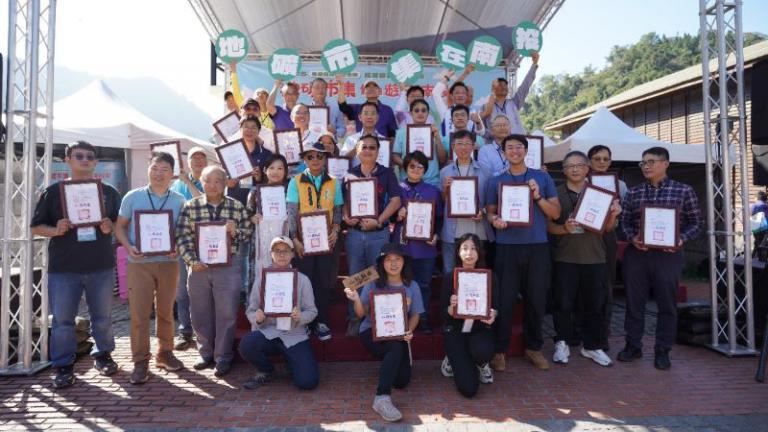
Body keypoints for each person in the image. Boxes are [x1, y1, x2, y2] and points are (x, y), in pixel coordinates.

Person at [31, 141, 121, 389]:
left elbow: (120, 223)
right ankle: (63, 365)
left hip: (100, 265)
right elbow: (36, 227)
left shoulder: (109, 192)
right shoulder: (53, 192)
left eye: (90, 156)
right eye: (79, 156)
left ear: (96, 162)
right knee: (62, 321)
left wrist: (110, 227)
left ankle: (103, 355)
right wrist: (55, 230)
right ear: (67, 160)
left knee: (102, 317)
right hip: (64, 268)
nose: (85, 160)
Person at [618, 147, 702, 370]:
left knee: (667, 304)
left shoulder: (683, 191)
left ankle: (663, 350)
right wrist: (632, 237)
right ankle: (633, 346)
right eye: (643, 162)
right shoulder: (634, 193)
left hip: (668, 255)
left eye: (651, 162)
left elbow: (696, 223)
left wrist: (681, 239)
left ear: (665, 164)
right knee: (634, 302)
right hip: (638, 254)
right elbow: (624, 222)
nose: (646, 166)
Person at [485, 134, 560, 372]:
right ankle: (500, 350)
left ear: (526, 151)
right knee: (504, 300)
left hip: (537, 245)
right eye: (510, 147)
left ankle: (533, 348)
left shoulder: (542, 177)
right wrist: (494, 220)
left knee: (536, 299)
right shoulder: (496, 181)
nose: (515, 151)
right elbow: (490, 212)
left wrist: (537, 197)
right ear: (504, 152)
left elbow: (556, 213)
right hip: (507, 247)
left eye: (519, 147)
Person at [115, 152, 187, 384]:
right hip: (139, 264)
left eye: (164, 169)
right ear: (148, 170)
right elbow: (119, 227)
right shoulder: (132, 197)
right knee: (139, 313)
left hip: (168, 263)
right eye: (155, 168)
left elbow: (184, 231)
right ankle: (140, 360)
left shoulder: (179, 200)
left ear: (172, 173)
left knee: (166, 311)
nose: (159, 174)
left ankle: (165, 352)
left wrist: (178, 247)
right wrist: (129, 247)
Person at [176, 166, 252, 376]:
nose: (212, 185)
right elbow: (182, 235)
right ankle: (205, 353)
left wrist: (236, 231)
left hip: (228, 266)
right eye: (208, 180)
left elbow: (248, 233)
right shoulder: (190, 206)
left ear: (225, 183)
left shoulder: (236, 206)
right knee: (200, 312)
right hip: (198, 267)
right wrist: (192, 260)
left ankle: (223, 356)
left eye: (218, 181)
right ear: (201, 182)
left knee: (227, 312)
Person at [548, 151, 621, 367]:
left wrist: (613, 214)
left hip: (595, 257)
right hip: (565, 257)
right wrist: (564, 228)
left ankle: (592, 346)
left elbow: (608, 228)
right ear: (563, 170)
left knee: (594, 304)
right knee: (563, 303)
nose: (575, 169)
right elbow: (548, 226)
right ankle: (562, 342)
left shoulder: (600, 194)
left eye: (579, 165)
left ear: (587, 168)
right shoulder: (556, 194)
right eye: (569, 166)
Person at [344, 243, 423, 422]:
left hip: (398, 333)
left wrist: (409, 330)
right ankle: (382, 398)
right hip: (371, 331)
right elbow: (361, 313)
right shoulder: (373, 283)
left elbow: (415, 315)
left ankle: (389, 362)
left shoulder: (412, 286)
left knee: (401, 381)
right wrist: (356, 299)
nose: (393, 263)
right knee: (395, 348)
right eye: (388, 259)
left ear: (404, 262)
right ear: (381, 263)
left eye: (397, 259)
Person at [239, 236, 320, 390]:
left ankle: (291, 362)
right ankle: (267, 370)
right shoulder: (261, 280)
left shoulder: (303, 280)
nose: (281, 255)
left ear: (292, 254)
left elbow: (312, 311)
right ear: (271, 254)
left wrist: (300, 316)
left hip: (294, 335)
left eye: (286, 251)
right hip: (269, 332)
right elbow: (251, 310)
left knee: (308, 382)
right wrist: (257, 318)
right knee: (247, 344)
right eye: (277, 251)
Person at [342, 135, 402, 336]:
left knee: (378, 274)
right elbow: (343, 202)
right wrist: (346, 216)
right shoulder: (349, 174)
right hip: (355, 234)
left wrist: (379, 220)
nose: (367, 150)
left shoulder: (387, 173)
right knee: (355, 276)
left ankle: (377, 317)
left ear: (378, 151)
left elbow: (395, 200)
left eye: (372, 147)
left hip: (378, 233)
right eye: (364, 147)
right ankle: (354, 318)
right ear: (357, 151)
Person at [286, 142, 343, 341]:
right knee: (304, 280)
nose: (315, 160)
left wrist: (336, 230)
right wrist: (295, 239)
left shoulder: (334, 182)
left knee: (323, 281)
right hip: (303, 240)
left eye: (320, 156)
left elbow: (337, 210)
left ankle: (321, 321)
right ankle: (305, 323)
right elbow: (292, 213)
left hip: (327, 240)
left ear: (325, 159)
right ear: (304, 160)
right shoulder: (295, 181)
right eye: (310, 157)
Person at [439, 234, 499, 397]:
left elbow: (496, 307)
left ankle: (482, 364)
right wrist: (451, 308)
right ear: (458, 252)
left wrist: (493, 314)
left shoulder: (490, 277)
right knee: (469, 389)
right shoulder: (450, 278)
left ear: (479, 252)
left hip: (480, 329)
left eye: (473, 248)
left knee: (482, 351)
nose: (469, 253)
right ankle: (452, 359)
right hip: (456, 330)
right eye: (464, 248)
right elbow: (442, 313)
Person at [394, 151, 443, 333]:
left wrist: (436, 234)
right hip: (402, 246)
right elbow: (387, 216)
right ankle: (401, 318)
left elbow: (439, 218)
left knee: (423, 284)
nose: (416, 169)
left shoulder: (432, 191)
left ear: (425, 170)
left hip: (425, 247)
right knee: (401, 284)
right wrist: (397, 216)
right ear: (405, 168)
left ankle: (422, 318)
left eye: (420, 166)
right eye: (412, 166)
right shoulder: (397, 189)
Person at [587, 144, 628, 351]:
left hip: (607, 235)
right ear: (589, 162)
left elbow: (624, 213)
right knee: (584, 284)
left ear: (610, 161)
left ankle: (603, 331)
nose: (602, 162)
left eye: (605, 159)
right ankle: (580, 330)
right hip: (583, 236)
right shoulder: (582, 181)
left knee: (605, 286)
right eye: (597, 158)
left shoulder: (620, 185)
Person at [226, 115, 272, 294]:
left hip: (257, 209)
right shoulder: (230, 152)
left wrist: (260, 178)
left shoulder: (265, 154)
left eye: (254, 127)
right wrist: (228, 181)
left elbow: (271, 181)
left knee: (256, 250)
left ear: (259, 131)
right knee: (237, 251)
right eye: (246, 126)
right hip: (235, 206)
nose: (250, 130)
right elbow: (223, 178)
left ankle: (253, 290)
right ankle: (238, 291)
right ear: (240, 129)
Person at [169, 146, 209, 352]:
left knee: (203, 291)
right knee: (182, 291)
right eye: (195, 158)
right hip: (182, 243)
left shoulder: (211, 181)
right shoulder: (175, 185)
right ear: (188, 162)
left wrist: (188, 182)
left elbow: (202, 203)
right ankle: (184, 331)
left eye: (202, 158)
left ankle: (204, 332)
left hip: (206, 243)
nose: (198, 161)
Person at [439, 130, 493, 274]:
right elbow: (443, 201)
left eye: (468, 143)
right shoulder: (445, 172)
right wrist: (445, 189)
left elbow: (492, 200)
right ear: (453, 146)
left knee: (478, 273)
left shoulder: (485, 171)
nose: (464, 147)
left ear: (474, 146)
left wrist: (483, 211)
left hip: (478, 229)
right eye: (459, 143)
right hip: (452, 231)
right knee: (450, 272)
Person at [247, 154, 290, 292]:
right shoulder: (255, 192)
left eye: (280, 168)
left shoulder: (290, 192)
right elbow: (245, 217)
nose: (275, 172)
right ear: (265, 170)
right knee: (260, 276)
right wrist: (252, 219)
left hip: (284, 240)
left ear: (285, 171)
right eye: (271, 168)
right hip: (260, 242)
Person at [479, 52, 539, 135]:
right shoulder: (485, 107)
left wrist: (534, 64)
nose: (503, 87)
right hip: (496, 142)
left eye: (505, 85)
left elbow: (525, 86)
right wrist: (495, 136)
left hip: (516, 141)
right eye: (500, 85)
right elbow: (481, 130)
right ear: (494, 89)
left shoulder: (514, 102)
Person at [392, 99, 447, 188]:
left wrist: (437, 138)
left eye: (423, 110)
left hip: (431, 181)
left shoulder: (436, 132)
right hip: (408, 181)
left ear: (428, 113)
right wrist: (408, 165)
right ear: (411, 113)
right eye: (416, 110)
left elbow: (442, 159)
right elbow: (395, 156)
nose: (420, 113)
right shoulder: (401, 133)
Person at [431, 66, 484, 136]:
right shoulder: (445, 111)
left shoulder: (473, 112)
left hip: (467, 143)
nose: (460, 95)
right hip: (448, 143)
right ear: (451, 96)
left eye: (463, 93)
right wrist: (447, 77)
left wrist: (478, 123)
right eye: (457, 93)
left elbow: (481, 133)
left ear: (466, 96)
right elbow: (435, 93)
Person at [339, 101, 386, 165]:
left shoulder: (384, 140)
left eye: (372, 113)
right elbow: (342, 161)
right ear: (360, 117)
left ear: (377, 118)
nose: (369, 117)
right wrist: (356, 149)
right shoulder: (351, 139)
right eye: (366, 113)